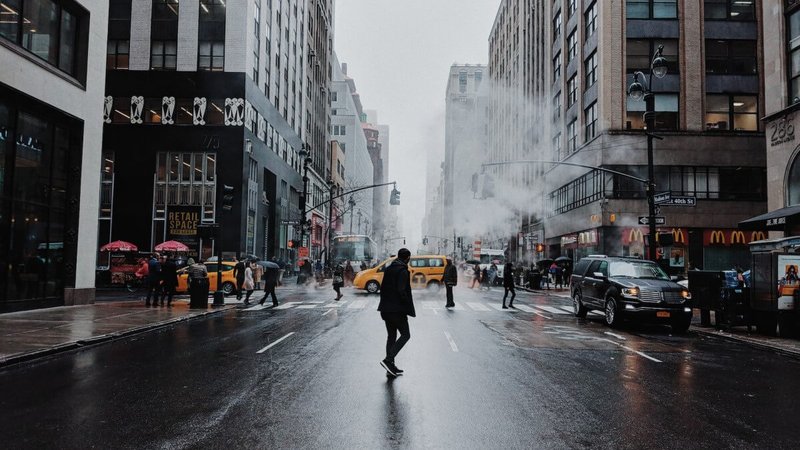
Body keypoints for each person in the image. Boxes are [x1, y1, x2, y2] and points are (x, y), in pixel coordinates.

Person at [378, 248, 415, 378]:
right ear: (407, 258)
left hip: (385, 309)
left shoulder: (389, 269)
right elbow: (401, 291)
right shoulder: (403, 270)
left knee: (391, 337)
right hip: (397, 310)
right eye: (409, 258)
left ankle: (390, 368)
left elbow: (382, 288)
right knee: (406, 335)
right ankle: (388, 360)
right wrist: (405, 305)